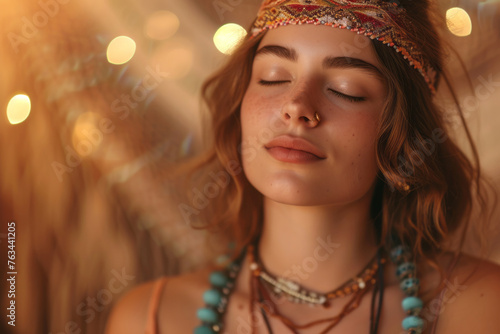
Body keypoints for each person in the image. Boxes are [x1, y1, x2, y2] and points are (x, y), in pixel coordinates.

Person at [105, 0, 500, 333]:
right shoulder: (150, 319)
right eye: (273, 78)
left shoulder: (480, 308)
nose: (297, 106)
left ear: (402, 133)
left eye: (345, 90)